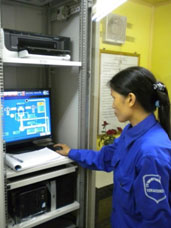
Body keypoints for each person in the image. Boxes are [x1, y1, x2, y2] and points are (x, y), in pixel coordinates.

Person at [54, 66, 171, 228]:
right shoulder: (131, 131)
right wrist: (71, 153)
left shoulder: (151, 151)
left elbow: (156, 220)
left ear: (130, 99)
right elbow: (105, 158)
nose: (113, 105)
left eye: (114, 98)